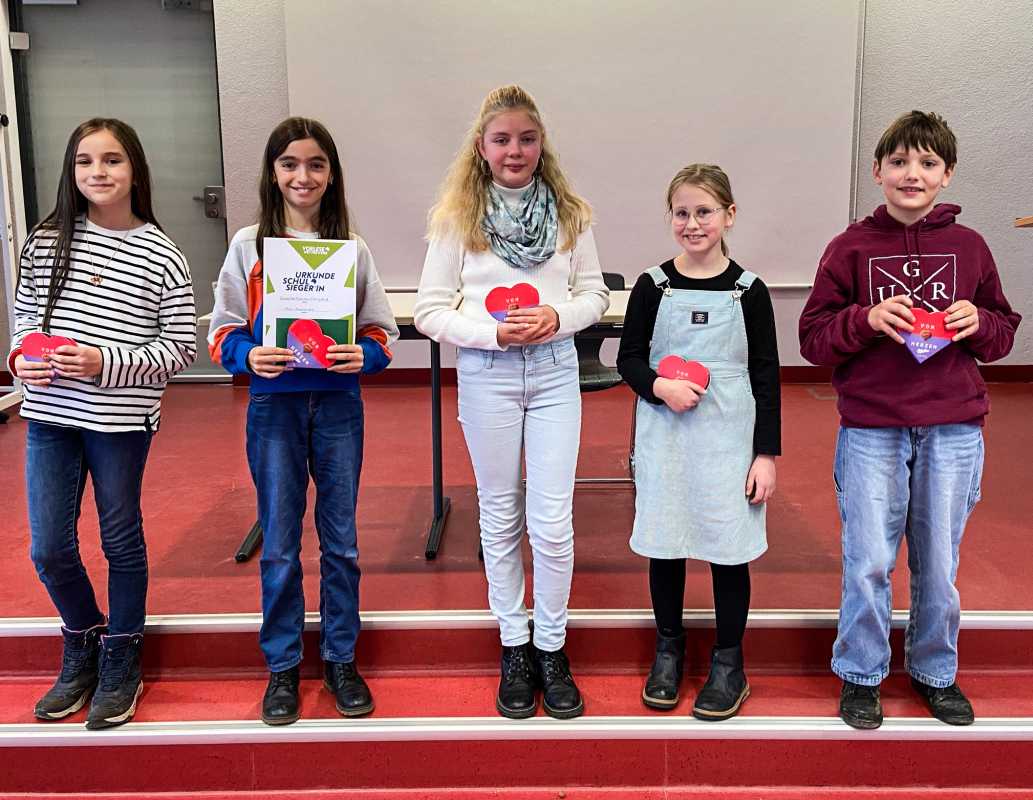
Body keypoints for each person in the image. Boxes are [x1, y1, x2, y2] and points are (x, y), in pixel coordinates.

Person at [799, 110, 1021, 729]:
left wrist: (980, 322)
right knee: (869, 558)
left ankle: (934, 671)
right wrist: (864, 319)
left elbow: (1002, 333)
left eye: (927, 163)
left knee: (939, 562)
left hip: (954, 427)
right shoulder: (849, 248)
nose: (911, 173)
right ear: (877, 171)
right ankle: (861, 672)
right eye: (898, 162)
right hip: (872, 426)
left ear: (947, 174)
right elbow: (813, 338)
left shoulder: (970, 247)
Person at [414, 85, 609, 719]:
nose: (514, 150)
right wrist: (490, 334)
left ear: (541, 143)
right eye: (501, 140)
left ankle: (551, 645)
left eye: (526, 138)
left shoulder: (572, 214)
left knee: (551, 522)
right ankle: (514, 646)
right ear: (481, 147)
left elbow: (595, 297)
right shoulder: (456, 219)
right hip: (488, 376)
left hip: (554, 375)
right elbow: (429, 312)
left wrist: (557, 316)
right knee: (499, 516)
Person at [209, 117, 398, 725]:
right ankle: (283, 666)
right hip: (275, 407)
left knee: (341, 542)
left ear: (332, 174)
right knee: (280, 545)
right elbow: (221, 331)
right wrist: (247, 356)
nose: (303, 176)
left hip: (338, 405)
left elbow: (382, 332)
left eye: (316, 164)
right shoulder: (249, 246)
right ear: (273, 172)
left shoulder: (352, 248)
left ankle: (341, 658)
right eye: (290, 164)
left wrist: (363, 355)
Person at [9, 118, 197, 729]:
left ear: (135, 169)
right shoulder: (45, 243)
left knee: (120, 539)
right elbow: (23, 325)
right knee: (49, 547)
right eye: (85, 161)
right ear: (72, 171)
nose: (98, 172)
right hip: (50, 418)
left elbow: (180, 350)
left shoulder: (162, 254)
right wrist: (20, 360)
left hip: (120, 423)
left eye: (112, 160)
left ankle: (123, 654)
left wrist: (103, 362)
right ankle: (84, 637)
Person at [618, 163, 780, 720]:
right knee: (665, 542)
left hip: (729, 438)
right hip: (666, 435)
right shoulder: (652, 285)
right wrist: (659, 386)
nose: (693, 223)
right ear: (670, 218)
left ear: (729, 216)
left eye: (704, 212)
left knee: (727, 547)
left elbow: (766, 375)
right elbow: (628, 358)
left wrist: (765, 455)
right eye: (682, 212)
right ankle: (669, 648)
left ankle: (730, 661)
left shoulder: (749, 291)